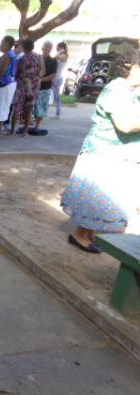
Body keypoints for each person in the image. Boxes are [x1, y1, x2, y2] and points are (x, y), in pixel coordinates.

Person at [61, 48, 140, 253]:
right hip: (104, 154)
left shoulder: (130, 91)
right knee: (101, 197)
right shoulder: (117, 89)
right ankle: (80, 234)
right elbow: (124, 124)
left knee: (102, 200)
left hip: (115, 155)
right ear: (134, 68)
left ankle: (87, 234)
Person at [10, 38, 43, 137]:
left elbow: (17, 73)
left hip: (23, 85)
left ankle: (12, 131)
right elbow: (41, 70)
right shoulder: (38, 57)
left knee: (16, 108)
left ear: (23, 47)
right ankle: (25, 132)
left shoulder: (21, 58)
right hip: (34, 86)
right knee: (29, 109)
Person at [31, 41, 57, 135]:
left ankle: (37, 126)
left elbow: (53, 75)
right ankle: (27, 124)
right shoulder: (36, 58)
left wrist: (40, 80)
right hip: (32, 87)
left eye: (49, 47)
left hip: (44, 87)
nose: (47, 48)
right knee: (30, 106)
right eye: (46, 46)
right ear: (42, 47)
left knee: (41, 108)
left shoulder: (53, 61)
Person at [52, 41, 69, 119]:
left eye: (58, 47)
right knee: (54, 96)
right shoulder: (61, 55)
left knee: (56, 97)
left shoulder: (64, 56)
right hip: (55, 77)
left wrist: (60, 51)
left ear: (61, 48)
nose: (56, 48)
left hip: (57, 78)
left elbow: (55, 57)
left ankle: (57, 114)